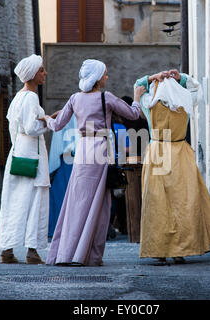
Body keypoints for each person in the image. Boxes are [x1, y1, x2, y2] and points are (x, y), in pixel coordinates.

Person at [42, 59, 146, 266]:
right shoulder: (105, 97)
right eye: (105, 74)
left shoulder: (74, 98)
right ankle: (89, 255)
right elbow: (134, 114)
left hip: (82, 150)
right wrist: (136, 97)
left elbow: (56, 125)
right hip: (100, 149)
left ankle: (66, 253)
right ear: (98, 78)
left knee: (77, 201)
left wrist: (45, 118)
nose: (107, 77)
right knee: (100, 204)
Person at [135, 69, 210, 264]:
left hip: (158, 153)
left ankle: (158, 250)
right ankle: (180, 250)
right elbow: (195, 87)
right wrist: (180, 78)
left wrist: (153, 77)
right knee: (182, 201)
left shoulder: (149, 104)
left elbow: (138, 85)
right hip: (180, 152)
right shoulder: (184, 103)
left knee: (157, 202)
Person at [0, 54, 51, 265]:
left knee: (15, 201)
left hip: (18, 153)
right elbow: (31, 127)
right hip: (32, 156)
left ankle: (7, 249)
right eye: (42, 70)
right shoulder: (31, 98)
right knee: (35, 200)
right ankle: (32, 251)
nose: (45, 73)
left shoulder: (18, 97)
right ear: (33, 74)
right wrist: (48, 120)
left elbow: (16, 128)